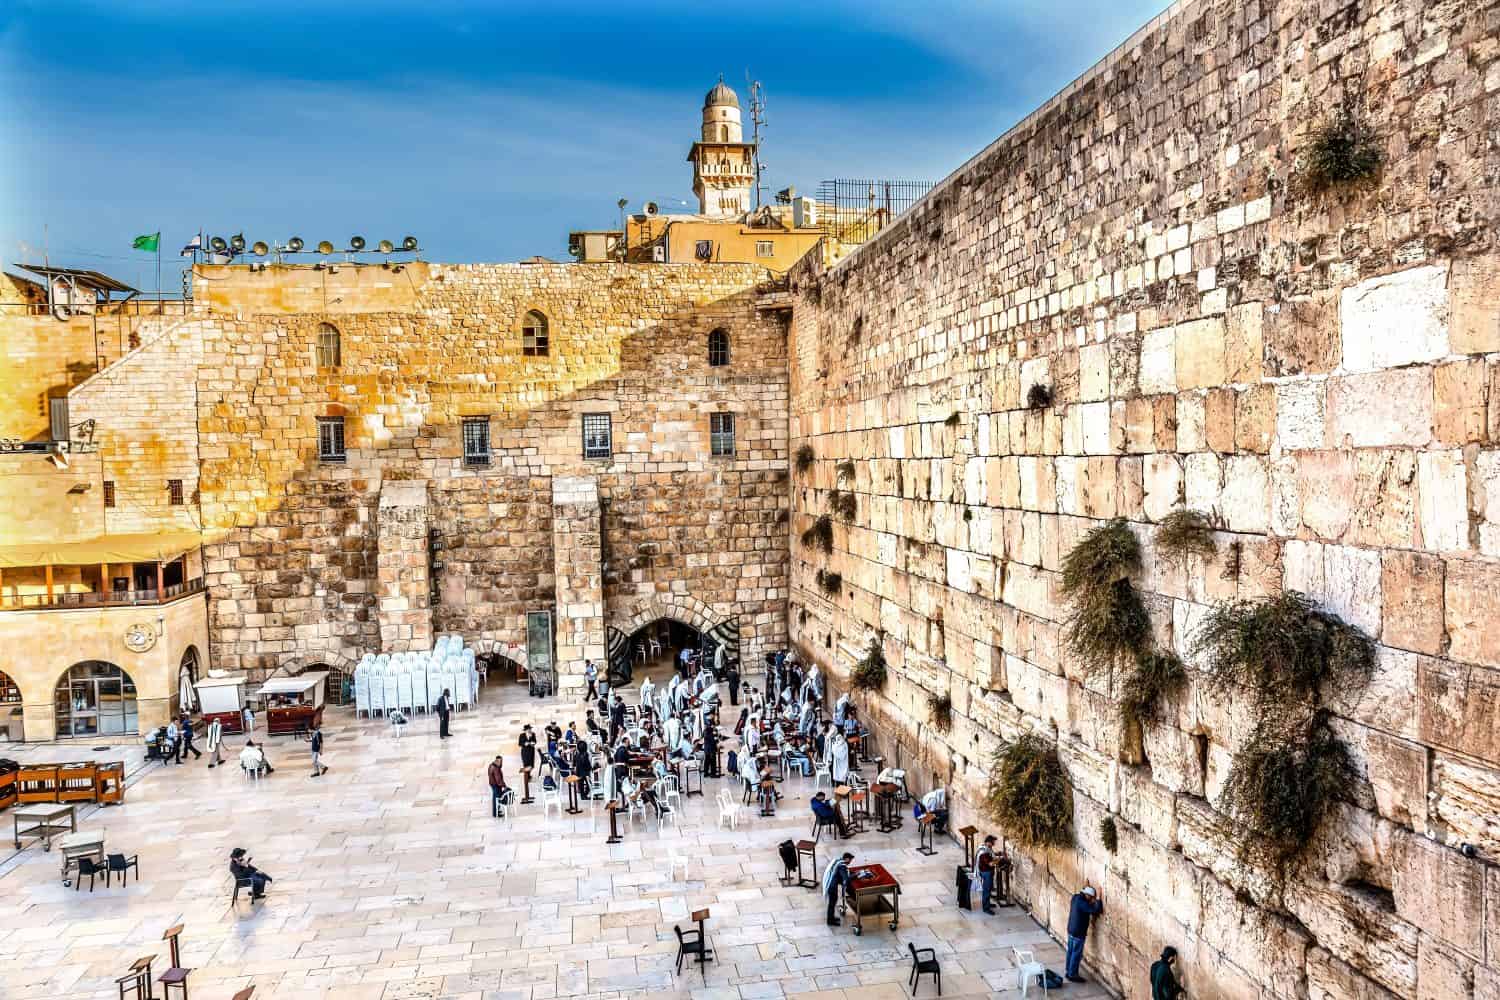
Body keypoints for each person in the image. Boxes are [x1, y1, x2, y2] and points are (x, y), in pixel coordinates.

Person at [1066, 885, 1104, 983]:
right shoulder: (1084, 904)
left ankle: (1068, 971)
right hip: (1078, 933)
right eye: (1091, 898)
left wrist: (1087, 887)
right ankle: (1073, 975)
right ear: (1087, 896)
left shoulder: (1075, 897)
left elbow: (1086, 902)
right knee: (1076, 954)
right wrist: (1099, 898)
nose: (1092, 900)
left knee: (1070, 951)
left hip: (1071, 930)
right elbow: (1096, 910)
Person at [822, 851, 855, 926]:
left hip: (831, 884)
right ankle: (830, 921)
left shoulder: (838, 861)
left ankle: (831, 918)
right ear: (846, 859)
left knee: (832, 902)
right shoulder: (842, 866)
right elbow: (845, 879)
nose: (850, 862)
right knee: (832, 903)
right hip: (832, 886)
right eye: (850, 860)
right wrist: (856, 874)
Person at [977, 835, 999, 914]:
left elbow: (991, 855)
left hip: (987, 872)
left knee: (989, 889)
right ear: (989, 842)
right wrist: (999, 860)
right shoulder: (984, 852)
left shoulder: (986, 848)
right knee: (986, 890)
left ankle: (988, 903)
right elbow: (990, 864)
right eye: (993, 841)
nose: (994, 843)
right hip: (986, 873)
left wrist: (997, 855)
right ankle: (986, 908)